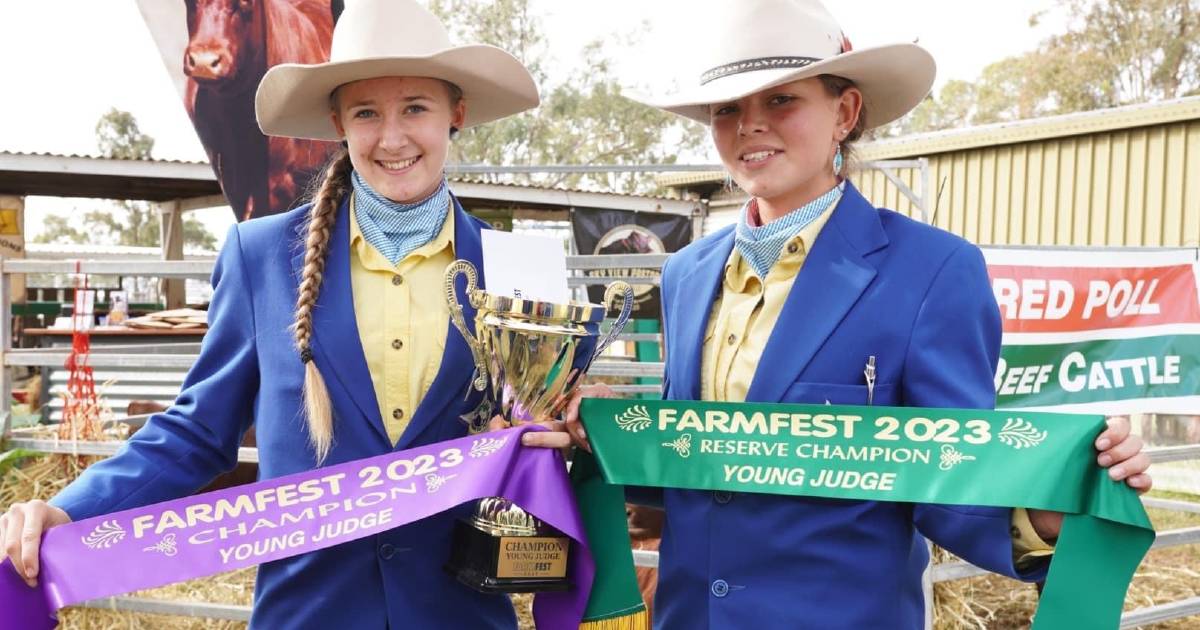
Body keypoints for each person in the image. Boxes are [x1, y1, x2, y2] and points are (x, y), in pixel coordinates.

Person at [542, 1, 1154, 628]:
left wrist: (1046, 510)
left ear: (845, 112)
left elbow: (953, 477)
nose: (750, 125)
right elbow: (689, 467)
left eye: (781, 100)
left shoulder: (932, 272)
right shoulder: (687, 273)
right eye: (727, 109)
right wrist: (609, 439)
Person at [0, 1, 542, 627]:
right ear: (338, 120)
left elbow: (557, 441)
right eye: (367, 112)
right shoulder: (261, 257)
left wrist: (580, 433)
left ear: (457, 113)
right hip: (309, 614)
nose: (392, 138)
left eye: (416, 107)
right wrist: (71, 511)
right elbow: (197, 433)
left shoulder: (517, 271)